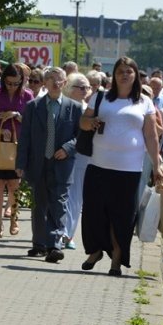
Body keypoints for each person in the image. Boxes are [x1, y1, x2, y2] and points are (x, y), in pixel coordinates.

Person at [79, 56, 163, 276]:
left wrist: (157, 164)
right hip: (98, 165)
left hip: (129, 170)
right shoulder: (100, 97)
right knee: (93, 212)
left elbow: (151, 136)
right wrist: (91, 122)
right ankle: (96, 250)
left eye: (129, 71)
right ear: (113, 76)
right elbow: (83, 122)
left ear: (135, 75)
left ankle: (116, 259)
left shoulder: (144, 102)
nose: (124, 75)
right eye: (120, 72)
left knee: (122, 216)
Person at [16, 67, 82, 262]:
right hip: (38, 162)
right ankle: (38, 243)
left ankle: (55, 244)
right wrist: (20, 163)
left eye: (59, 79)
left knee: (59, 203)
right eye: (50, 79)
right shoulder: (33, 106)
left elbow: (82, 136)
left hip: (62, 163)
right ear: (44, 82)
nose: (55, 82)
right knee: (39, 204)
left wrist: (68, 148)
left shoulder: (74, 107)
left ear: (65, 83)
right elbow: (25, 136)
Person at [0, 64, 33, 237]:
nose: (12, 86)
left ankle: (14, 219)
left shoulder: (27, 96)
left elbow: (31, 122)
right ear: (3, 80)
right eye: (9, 83)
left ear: (22, 81)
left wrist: (16, 116)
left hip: (19, 145)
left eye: (16, 83)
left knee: (15, 185)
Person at [63, 73, 92, 250]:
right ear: (69, 88)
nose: (85, 90)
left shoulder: (89, 109)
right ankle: (57, 231)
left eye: (87, 87)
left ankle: (68, 234)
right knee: (60, 195)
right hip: (61, 155)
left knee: (75, 197)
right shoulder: (62, 106)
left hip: (82, 156)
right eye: (80, 87)